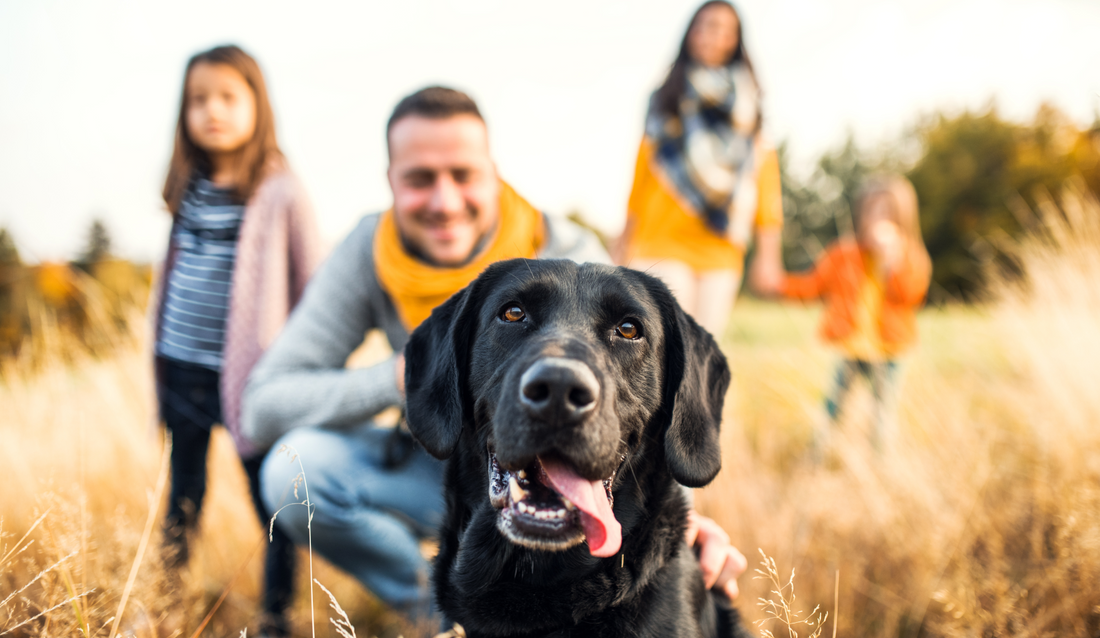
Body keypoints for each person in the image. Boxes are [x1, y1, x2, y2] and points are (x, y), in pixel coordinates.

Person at [242, 87, 748, 628]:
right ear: (390, 181)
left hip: (583, 463)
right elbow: (263, 405)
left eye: (462, 175)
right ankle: (444, 614)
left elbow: (637, 394)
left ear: (494, 173)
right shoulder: (369, 251)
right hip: (449, 454)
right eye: (420, 179)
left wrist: (684, 521)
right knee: (294, 472)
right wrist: (408, 377)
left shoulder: (571, 252)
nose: (444, 200)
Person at [152, 44, 322, 637]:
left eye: (228, 97)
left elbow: (314, 287)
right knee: (183, 494)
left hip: (254, 380)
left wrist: (302, 369)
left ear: (257, 105)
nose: (212, 111)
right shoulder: (188, 186)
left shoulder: (281, 189)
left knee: (272, 497)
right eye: (199, 100)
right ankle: (165, 600)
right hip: (182, 367)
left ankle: (277, 613)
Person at [618, 0, 784, 337]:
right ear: (691, 33)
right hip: (660, 241)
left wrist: (769, 256)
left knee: (702, 352)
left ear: (735, 41)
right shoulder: (665, 98)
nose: (714, 35)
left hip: (720, 248)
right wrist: (622, 241)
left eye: (725, 29)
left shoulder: (749, 108)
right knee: (662, 343)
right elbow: (642, 176)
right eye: (707, 25)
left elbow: (764, 181)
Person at [776, 175, 932, 452]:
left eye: (887, 212)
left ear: (903, 217)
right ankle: (817, 454)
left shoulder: (911, 256)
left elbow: (911, 295)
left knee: (883, 412)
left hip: (890, 351)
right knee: (833, 405)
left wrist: (892, 262)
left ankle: (880, 461)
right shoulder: (843, 254)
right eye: (871, 211)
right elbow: (813, 285)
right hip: (851, 347)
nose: (877, 219)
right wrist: (778, 284)